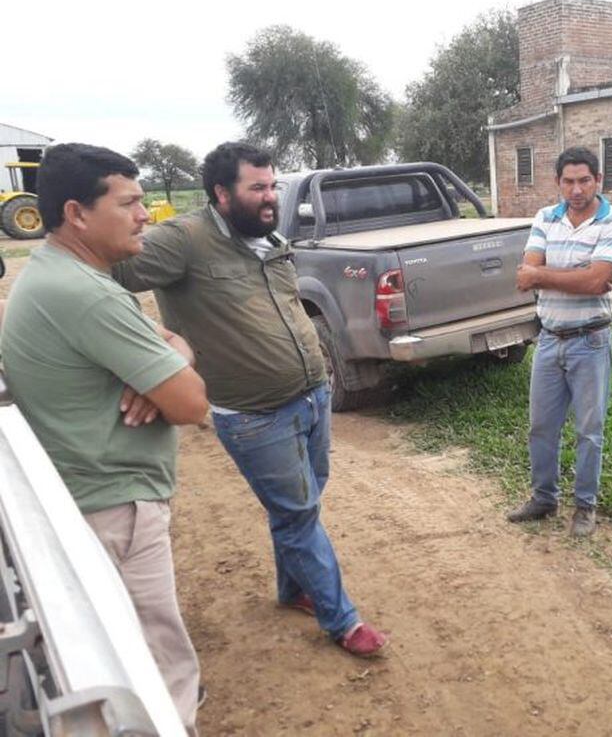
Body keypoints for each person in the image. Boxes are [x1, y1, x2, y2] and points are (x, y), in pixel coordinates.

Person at [113, 142, 387, 657]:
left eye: (272, 186)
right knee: (298, 513)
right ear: (221, 193)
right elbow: (105, 275)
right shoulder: (184, 239)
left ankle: (293, 588)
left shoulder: (268, 235)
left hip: (311, 395)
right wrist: (151, 356)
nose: (270, 197)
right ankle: (342, 620)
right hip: (254, 415)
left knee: (302, 505)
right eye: (256, 188)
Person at [0, 143, 208, 733]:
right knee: (157, 669)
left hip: (95, 501)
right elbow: (192, 404)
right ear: (78, 213)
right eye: (130, 203)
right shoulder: (86, 294)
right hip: (116, 508)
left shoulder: (59, 274)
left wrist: (169, 364)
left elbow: (171, 342)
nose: (145, 215)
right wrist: (171, 373)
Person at [506, 147, 612, 537]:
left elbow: (595, 281)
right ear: (558, 183)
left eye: (584, 181)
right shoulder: (546, 216)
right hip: (549, 339)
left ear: (598, 181)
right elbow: (525, 274)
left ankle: (585, 506)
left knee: (589, 430)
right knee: (541, 426)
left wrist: (545, 275)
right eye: (568, 182)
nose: (576, 190)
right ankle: (544, 498)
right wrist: (577, 274)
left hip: (590, 340)